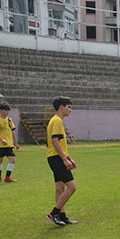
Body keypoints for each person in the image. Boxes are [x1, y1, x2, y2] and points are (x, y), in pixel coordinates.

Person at [46, 96, 78, 226]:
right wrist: (64, 160)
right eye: (69, 107)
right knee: (72, 187)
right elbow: (54, 142)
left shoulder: (55, 121)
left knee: (60, 188)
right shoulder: (57, 121)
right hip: (56, 158)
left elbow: (60, 143)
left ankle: (62, 216)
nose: (70, 110)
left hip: (55, 157)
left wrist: (69, 158)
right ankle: (54, 213)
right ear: (61, 107)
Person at [0, 102, 20, 182]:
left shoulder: (9, 120)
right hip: (0, 145)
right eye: (6, 110)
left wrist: (16, 143)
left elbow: (12, 132)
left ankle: (7, 177)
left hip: (9, 144)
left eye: (8, 110)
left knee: (12, 160)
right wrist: (2, 139)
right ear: (0, 110)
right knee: (0, 160)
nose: (7, 112)